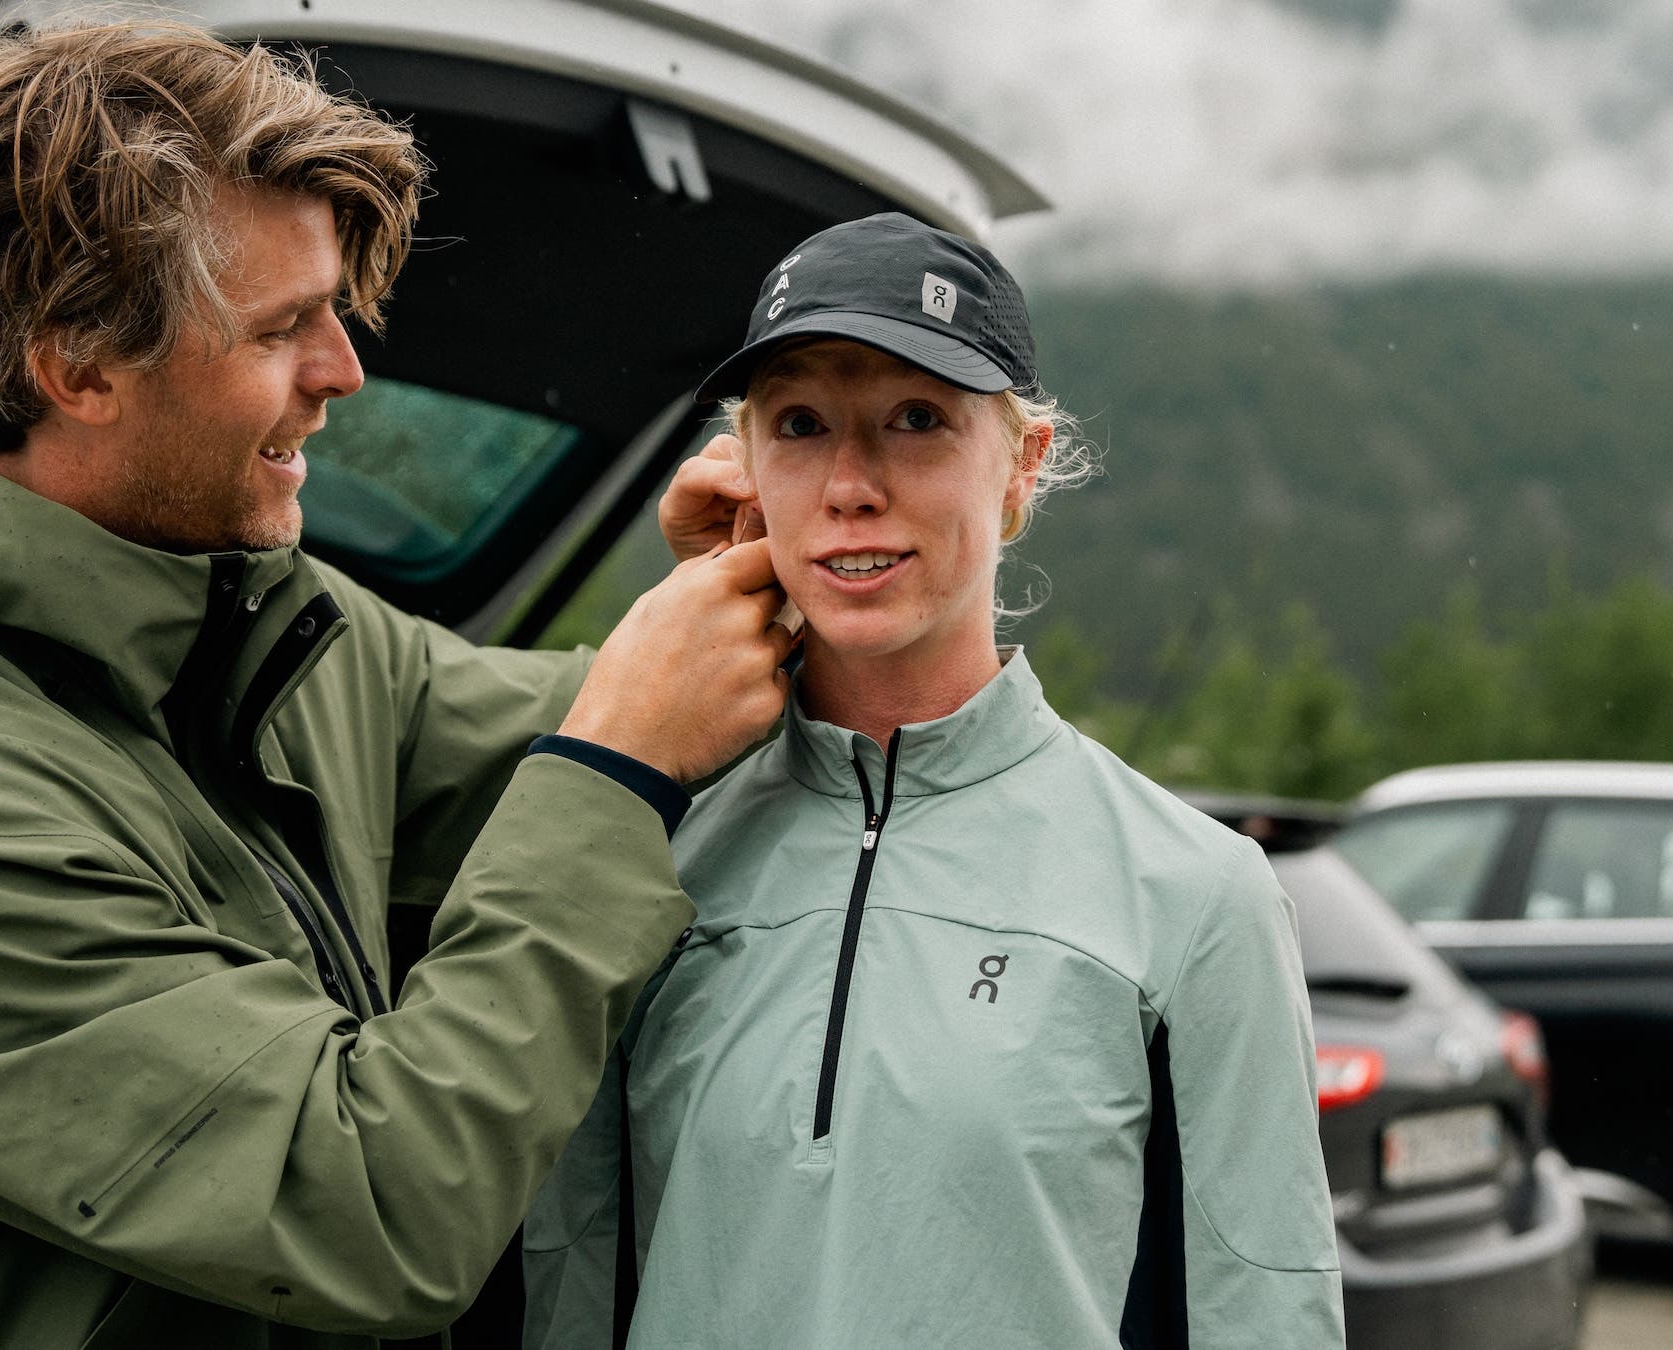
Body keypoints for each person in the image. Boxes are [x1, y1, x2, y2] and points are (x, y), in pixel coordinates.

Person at [0, 23, 794, 1349]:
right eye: (285, 326)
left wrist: (723, 600)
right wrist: (621, 764)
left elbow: (566, 726)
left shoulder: (246, 608)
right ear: (78, 365)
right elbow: (376, 1207)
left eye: (334, 307)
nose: (343, 369)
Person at [521, 213, 1347, 1348]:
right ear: (747, 471)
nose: (852, 483)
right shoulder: (645, 852)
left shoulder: (1198, 895)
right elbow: (573, 1268)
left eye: (918, 420)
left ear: (1022, 465)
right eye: (800, 425)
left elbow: (1269, 1308)